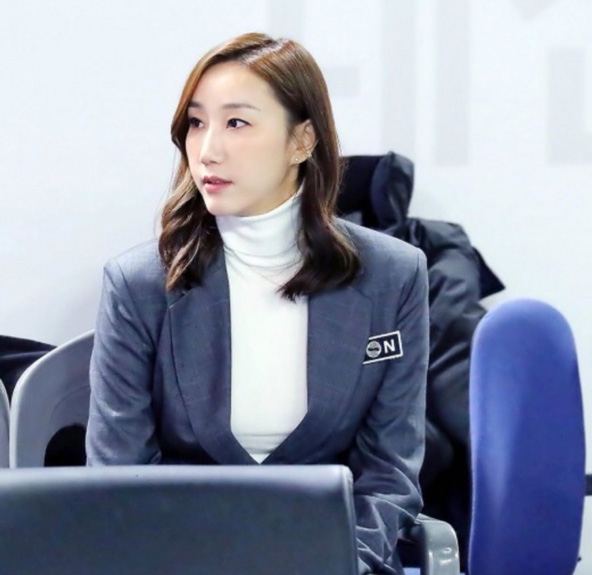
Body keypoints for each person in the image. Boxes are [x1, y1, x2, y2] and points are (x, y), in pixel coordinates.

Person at [86, 32, 429, 575]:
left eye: (236, 123)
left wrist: (343, 564)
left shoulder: (393, 275)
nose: (207, 150)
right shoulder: (139, 284)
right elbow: (119, 482)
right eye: (196, 123)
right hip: (180, 561)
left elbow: (389, 473)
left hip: (334, 561)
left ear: (302, 141)